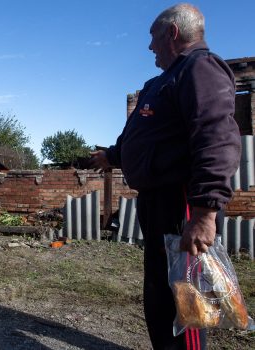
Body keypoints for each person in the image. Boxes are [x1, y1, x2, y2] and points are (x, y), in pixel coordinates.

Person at [88, 4, 241, 349]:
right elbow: (146, 138)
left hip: (183, 203)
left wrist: (204, 213)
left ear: (172, 33)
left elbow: (216, 138)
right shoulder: (161, 82)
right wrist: (111, 156)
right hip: (159, 202)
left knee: (183, 296)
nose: (149, 46)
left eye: (153, 37)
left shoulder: (201, 69)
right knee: (160, 288)